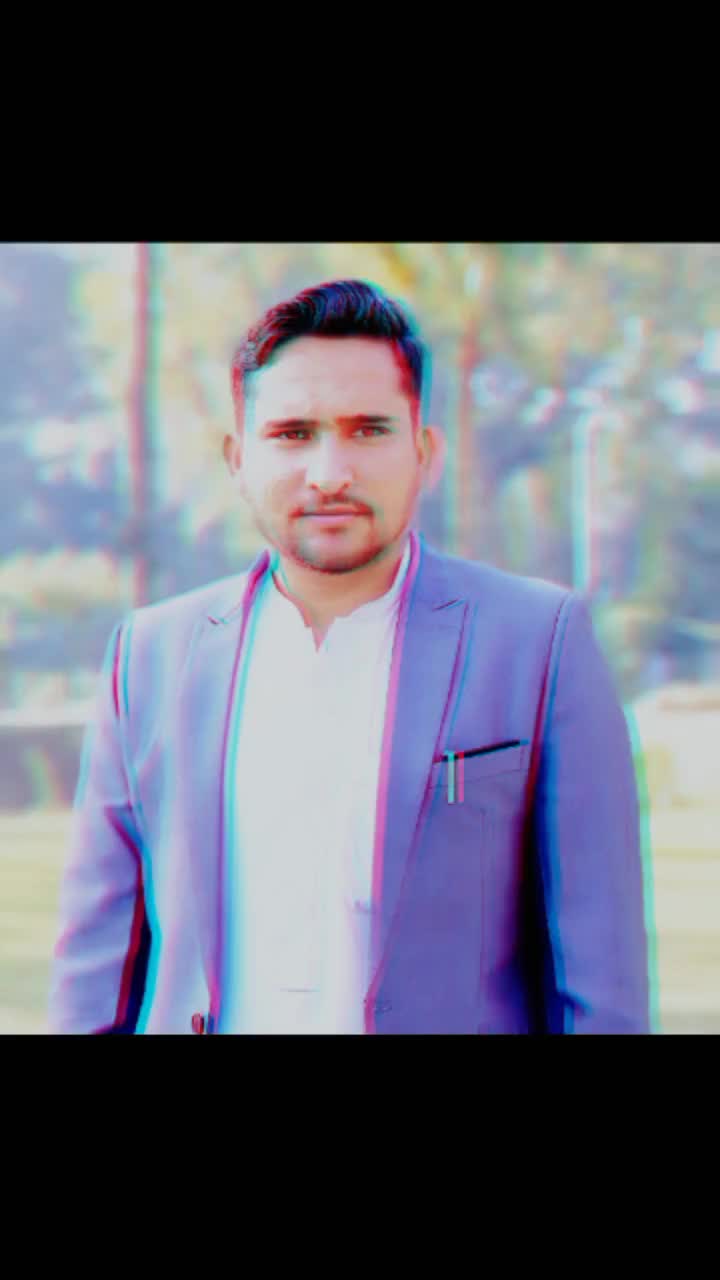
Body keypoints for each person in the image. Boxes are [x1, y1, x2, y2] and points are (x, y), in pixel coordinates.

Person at [48, 278, 651, 1034]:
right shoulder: (150, 658)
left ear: (424, 452)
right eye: (293, 433)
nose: (330, 473)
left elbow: (602, 982)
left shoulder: (537, 643)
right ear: (238, 458)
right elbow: (94, 973)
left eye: (368, 430)